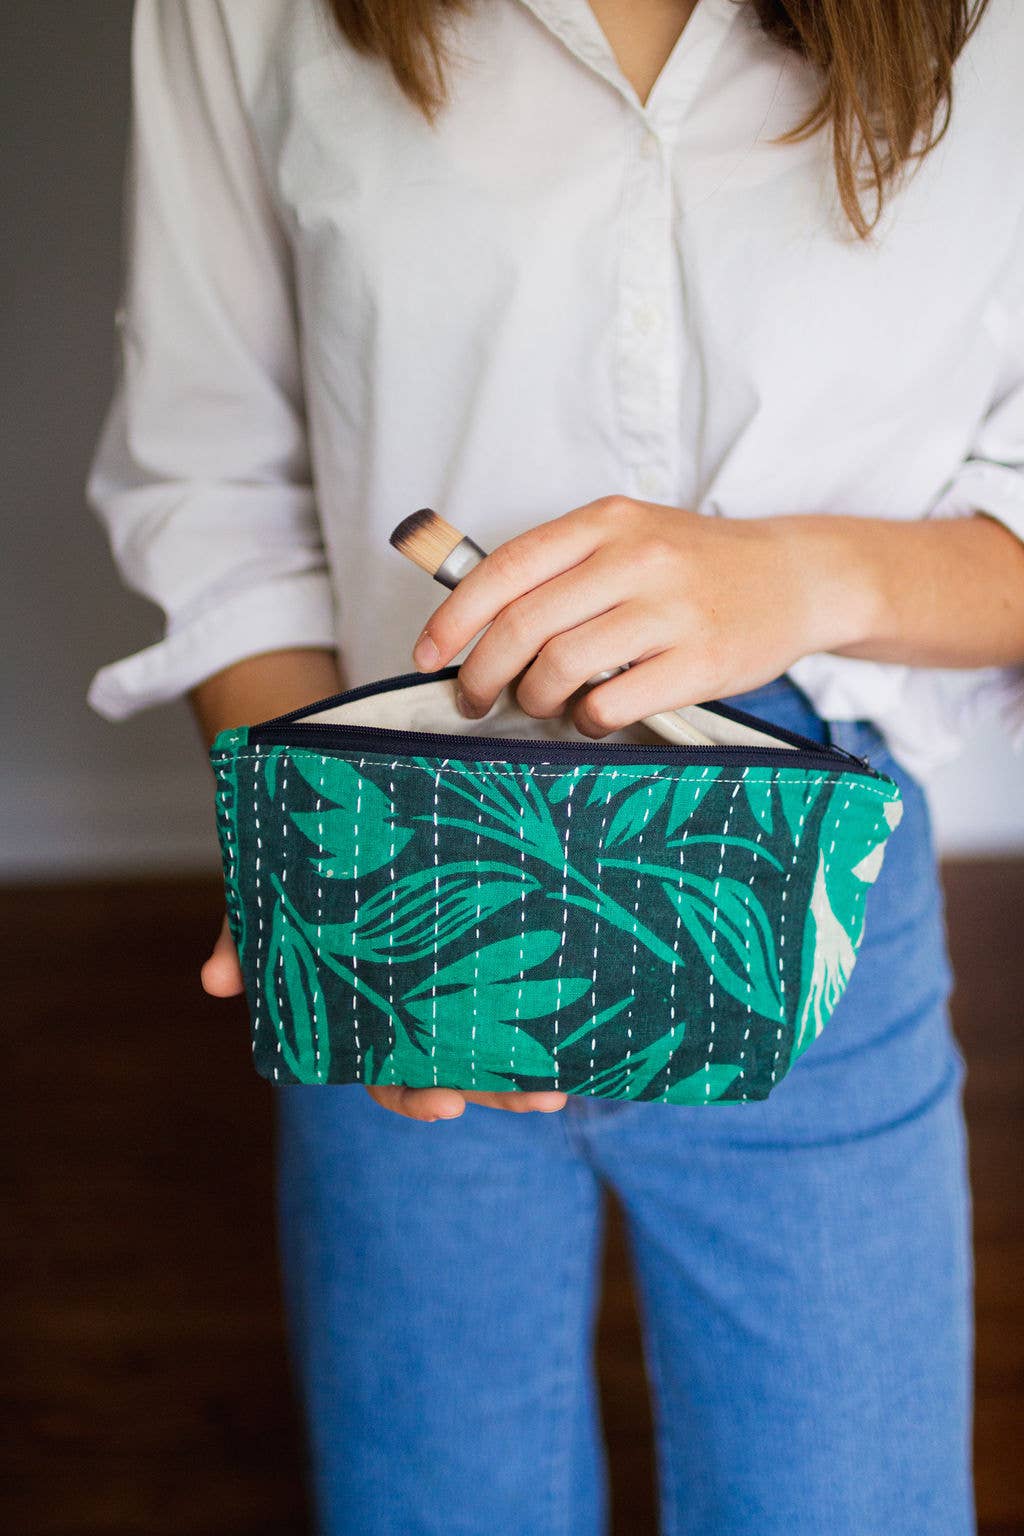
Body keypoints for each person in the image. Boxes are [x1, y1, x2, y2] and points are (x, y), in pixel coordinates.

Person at [86, 1, 1024, 1530]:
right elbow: (212, 478)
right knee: (434, 1500)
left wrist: (802, 577)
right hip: (400, 858)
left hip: (803, 883)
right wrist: (326, 861)